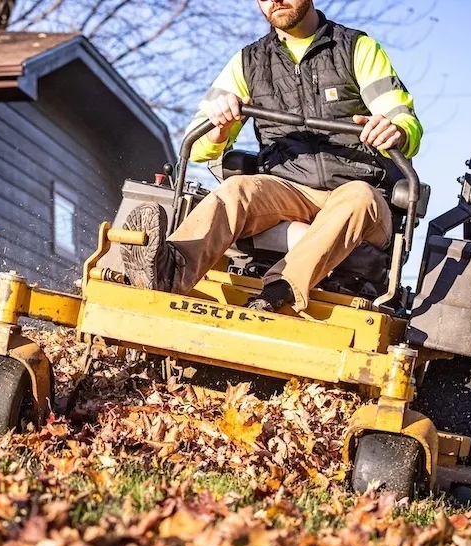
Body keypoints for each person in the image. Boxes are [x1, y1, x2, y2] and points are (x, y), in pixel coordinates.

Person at [119, 0, 423, 312]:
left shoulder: (358, 49)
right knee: (236, 190)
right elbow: (196, 146)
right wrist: (219, 128)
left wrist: (395, 130)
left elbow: (403, 120)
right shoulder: (247, 61)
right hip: (288, 191)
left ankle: (280, 289)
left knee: (359, 196)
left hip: (359, 198)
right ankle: (168, 273)